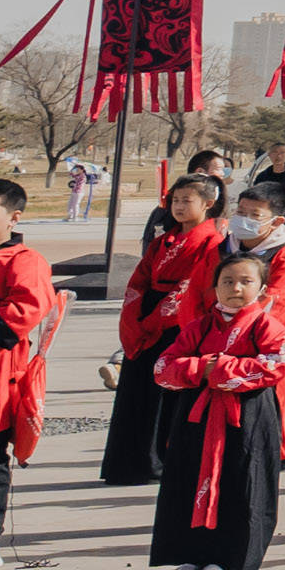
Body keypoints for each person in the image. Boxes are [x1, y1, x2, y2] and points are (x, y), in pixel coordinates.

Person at [146, 242, 285, 570]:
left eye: (245, 281)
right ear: (215, 286)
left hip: (247, 416)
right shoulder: (198, 327)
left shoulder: (267, 326)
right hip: (196, 418)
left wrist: (219, 370)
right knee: (188, 479)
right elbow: (162, 367)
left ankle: (233, 557)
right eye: (227, 281)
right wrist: (200, 368)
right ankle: (193, 552)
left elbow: (278, 363)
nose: (236, 288)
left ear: (261, 288)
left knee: (242, 481)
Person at [101, 176, 228, 488]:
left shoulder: (213, 242)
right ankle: (127, 462)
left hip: (181, 323)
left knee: (166, 391)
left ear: (208, 204)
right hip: (149, 311)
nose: (180, 207)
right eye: (176, 201)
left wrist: (159, 319)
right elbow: (139, 279)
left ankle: (158, 460)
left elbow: (194, 286)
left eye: (187, 200)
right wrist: (136, 317)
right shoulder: (162, 241)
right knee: (137, 390)